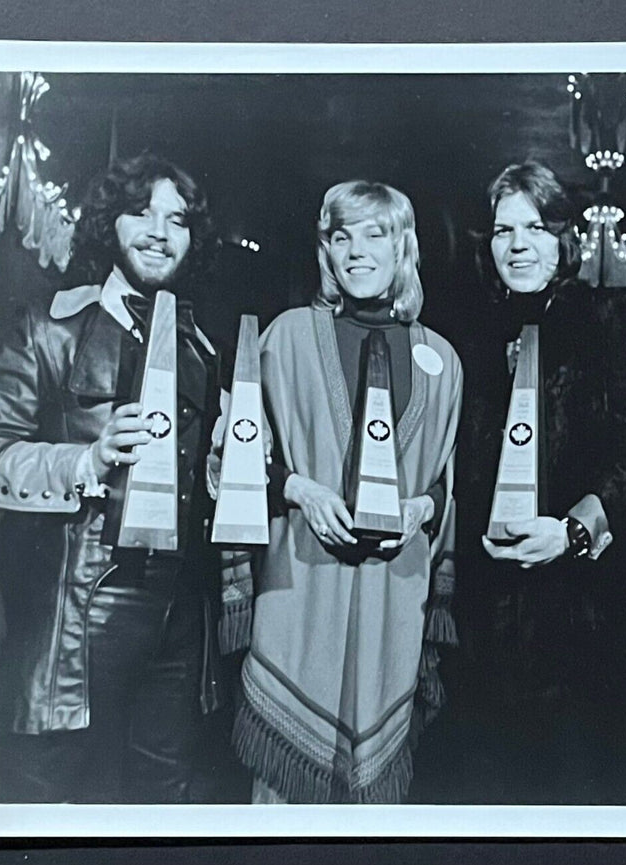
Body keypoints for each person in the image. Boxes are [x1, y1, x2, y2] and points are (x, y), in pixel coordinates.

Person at [419, 162, 626, 803]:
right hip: (481, 616)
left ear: (565, 239)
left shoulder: (618, 316)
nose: (517, 244)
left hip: (586, 614)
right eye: (503, 230)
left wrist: (575, 531)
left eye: (535, 227)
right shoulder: (461, 336)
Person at [0, 153, 223, 803]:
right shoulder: (47, 326)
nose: (159, 231)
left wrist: (221, 468)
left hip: (178, 617)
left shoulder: (201, 346)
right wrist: (85, 461)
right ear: (107, 225)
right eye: (140, 212)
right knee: (49, 796)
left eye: (176, 219)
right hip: (72, 612)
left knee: (161, 800)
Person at [230, 180, 463, 803]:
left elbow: (447, 480)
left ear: (402, 248)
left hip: (396, 597)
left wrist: (423, 507)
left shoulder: (441, 357)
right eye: (341, 236)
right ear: (326, 254)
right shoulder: (284, 338)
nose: (357, 250)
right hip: (300, 589)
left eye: (375, 233)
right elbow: (237, 461)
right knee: (282, 800)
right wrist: (301, 491)